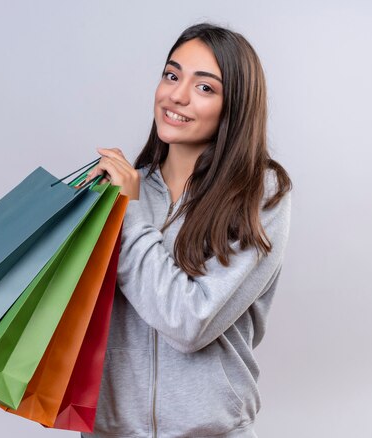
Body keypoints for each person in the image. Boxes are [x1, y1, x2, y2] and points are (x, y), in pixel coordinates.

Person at [82, 22, 292, 438]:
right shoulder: (121, 187)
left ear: (235, 105)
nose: (176, 95)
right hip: (108, 430)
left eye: (205, 87)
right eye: (172, 75)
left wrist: (130, 211)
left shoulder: (261, 194)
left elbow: (189, 322)